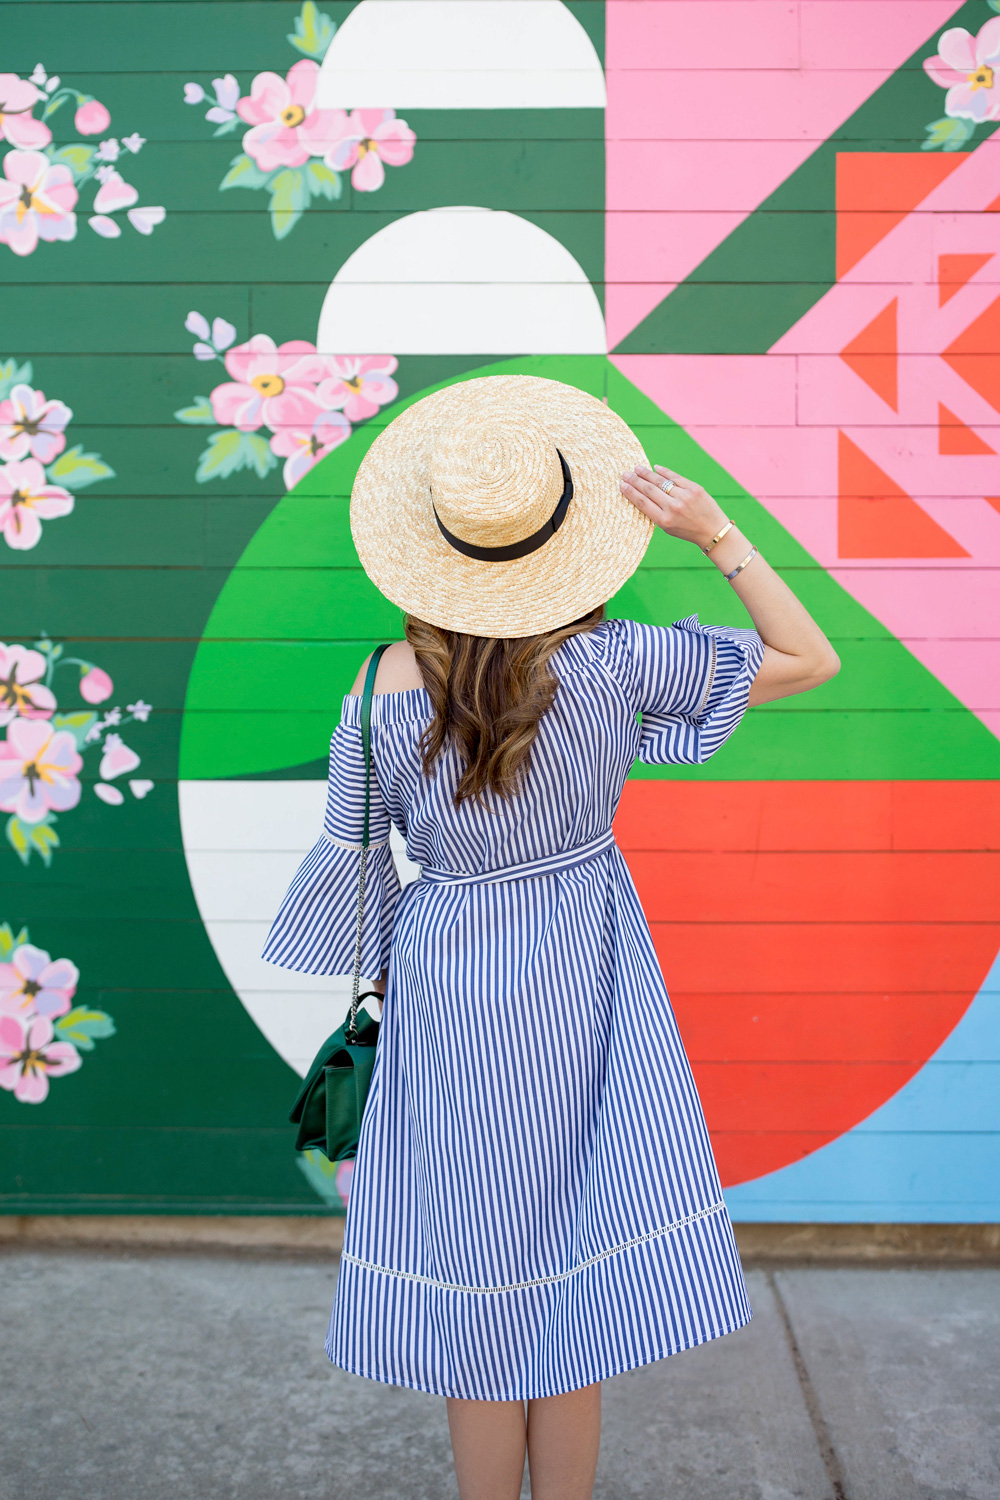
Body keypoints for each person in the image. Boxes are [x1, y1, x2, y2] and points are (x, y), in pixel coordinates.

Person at [261, 375, 839, 1500]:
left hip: (445, 986)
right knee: (570, 1284)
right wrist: (715, 530)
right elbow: (809, 659)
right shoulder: (613, 661)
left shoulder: (373, 689)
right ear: (555, 539)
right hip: (587, 967)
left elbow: (354, 868)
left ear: (426, 549)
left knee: (478, 1274)